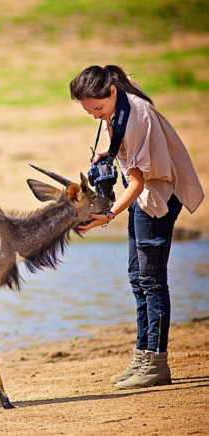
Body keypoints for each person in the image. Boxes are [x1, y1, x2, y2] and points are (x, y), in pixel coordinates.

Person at [70, 65, 204, 389]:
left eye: (99, 109)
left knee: (152, 280)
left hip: (156, 197)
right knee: (136, 277)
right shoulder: (119, 100)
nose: (96, 116)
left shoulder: (137, 114)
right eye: (89, 112)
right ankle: (142, 355)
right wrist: (106, 152)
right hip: (144, 199)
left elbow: (137, 181)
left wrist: (108, 215)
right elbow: (124, 76)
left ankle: (157, 362)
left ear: (112, 92)